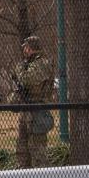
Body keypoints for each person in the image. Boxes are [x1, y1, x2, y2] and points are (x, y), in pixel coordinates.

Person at [11, 35, 54, 168]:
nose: (24, 51)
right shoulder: (29, 64)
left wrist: (19, 69)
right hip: (26, 110)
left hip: (37, 110)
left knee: (37, 150)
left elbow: (27, 80)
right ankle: (23, 174)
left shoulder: (42, 63)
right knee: (22, 148)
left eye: (26, 48)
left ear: (30, 48)